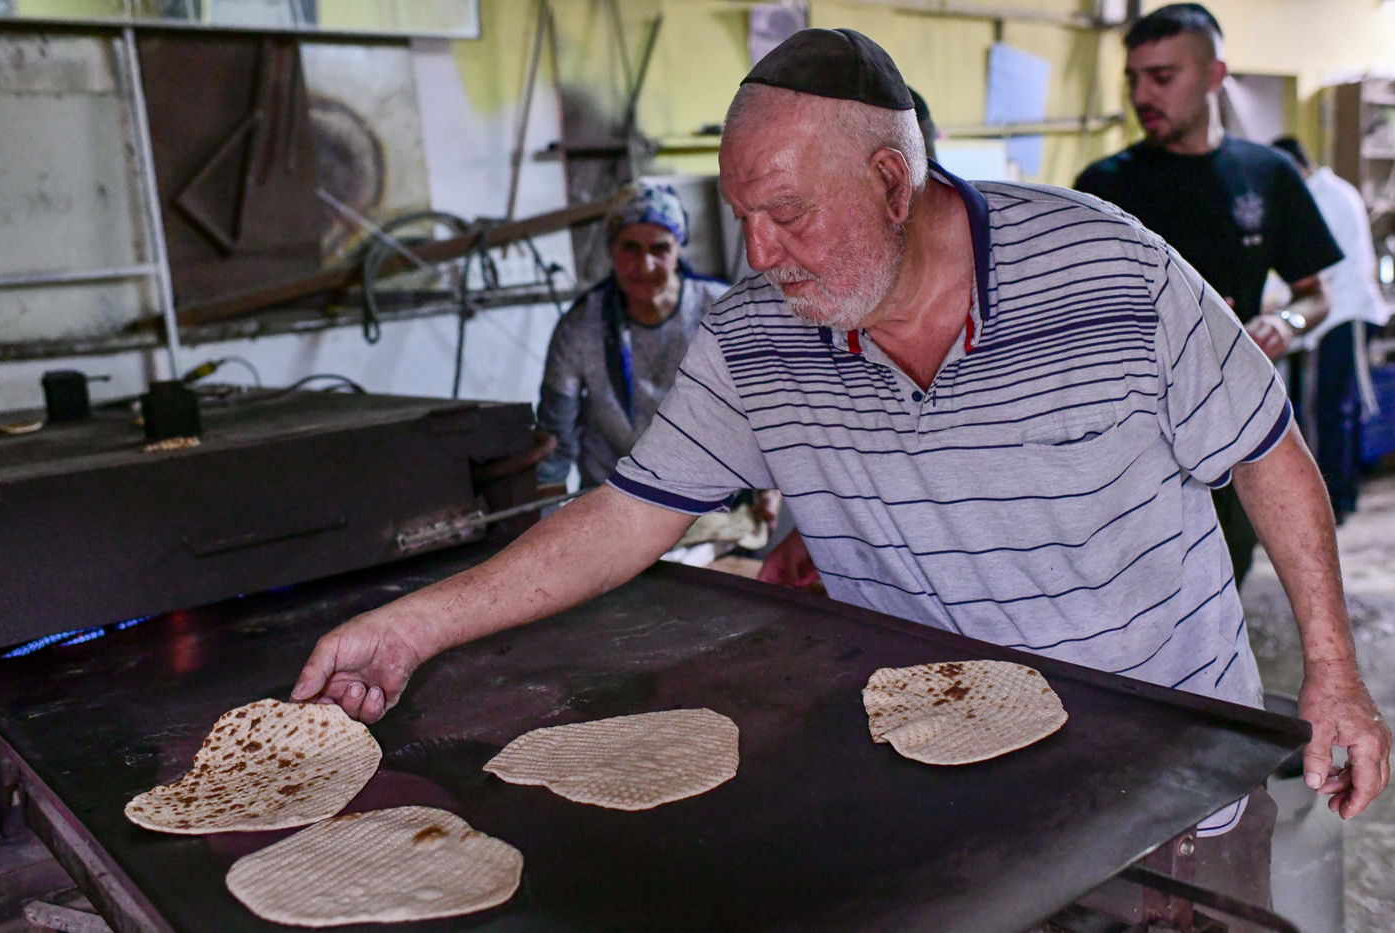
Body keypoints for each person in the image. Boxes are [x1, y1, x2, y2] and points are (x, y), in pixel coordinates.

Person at [293, 27, 1388, 925]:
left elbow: (1265, 450)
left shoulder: (1106, 269)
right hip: (946, 777)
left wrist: (1332, 671)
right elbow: (626, 514)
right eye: (741, 218)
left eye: (787, 215)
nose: (759, 255)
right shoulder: (754, 339)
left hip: (1163, 768)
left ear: (891, 181)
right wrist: (412, 627)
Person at [1073, 3, 1343, 589]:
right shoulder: (1106, 185)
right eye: (1134, 79)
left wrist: (1286, 323)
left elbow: (1315, 296)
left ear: (1214, 76)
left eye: (1162, 77)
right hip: (1134, 434)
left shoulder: (1267, 174)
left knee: (1227, 576)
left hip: (1234, 426)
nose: (1142, 95)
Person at [535, 181, 728, 491]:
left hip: (714, 495)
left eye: (660, 248)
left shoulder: (721, 311)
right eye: (630, 248)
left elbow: (767, 409)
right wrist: (545, 509)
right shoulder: (579, 329)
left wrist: (769, 490)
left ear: (678, 249)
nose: (645, 265)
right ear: (611, 250)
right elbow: (555, 440)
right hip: (616, 495)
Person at [1271, 135, 1392, 524]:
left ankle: (1334, 500)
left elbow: (1316, 265)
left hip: (1345, 312)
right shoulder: (1330, 191)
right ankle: (1342, 495)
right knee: (1338, 408)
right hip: (1341, 312)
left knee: (1330, 410)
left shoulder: (1327, 197)